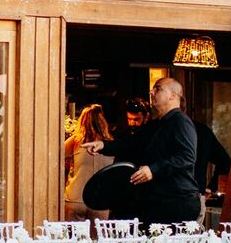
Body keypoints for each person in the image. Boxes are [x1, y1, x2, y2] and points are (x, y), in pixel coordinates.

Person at [84, 78, 200, 225]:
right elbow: (131, 144)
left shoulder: (180, 121)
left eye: (158, 88)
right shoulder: (155, 125)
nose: (152, 92)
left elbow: (186, 157)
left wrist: (153, 169)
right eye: (153, 88)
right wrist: (103, 145)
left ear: (173, 95)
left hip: (177, 202)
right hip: (158, 202)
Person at [63, 105, 115, 218]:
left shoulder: (75, 141)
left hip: (75, 198)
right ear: (103, 123)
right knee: (98, 230)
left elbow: (57, 158)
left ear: (82, 121)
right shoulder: (110, 144)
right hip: (100, 200)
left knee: (73, 230)